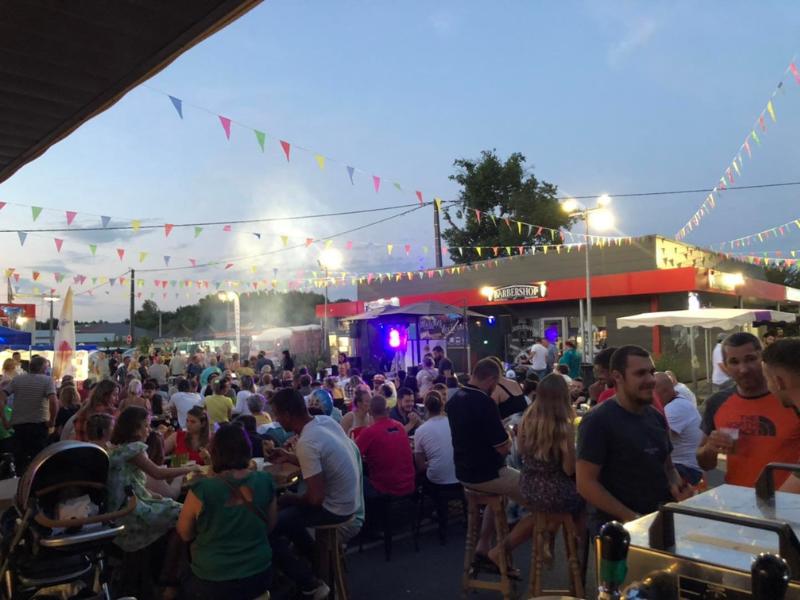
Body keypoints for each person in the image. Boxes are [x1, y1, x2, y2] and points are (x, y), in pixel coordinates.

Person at [577, 345, 690, 534]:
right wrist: (634, 518)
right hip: (617, 532)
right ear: (617, 377)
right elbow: (585, 483)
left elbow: (668, 468)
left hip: (659, 522)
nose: (651, 380)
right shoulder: (598, 420)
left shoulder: (655, 416)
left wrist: (679, 488)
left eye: (651, 372)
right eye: (640, 374)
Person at [269, 388, 359, 599]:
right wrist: (288, 456)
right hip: (350, 501)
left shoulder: (307, 442)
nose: (276, 420)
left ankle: (309, 583)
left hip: (335, 509)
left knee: (268, 527)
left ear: (287, 414)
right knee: (289, 518)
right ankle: (316, 562)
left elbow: (315, 499)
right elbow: (322, 461)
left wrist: (290, 498)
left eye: (277, 415)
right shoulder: (324, 422)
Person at [488, 374, 584, 566]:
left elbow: (522, 451)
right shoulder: (564, 426)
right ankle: (577, 557)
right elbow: (568, 469)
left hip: (528, 484)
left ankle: (546, 540)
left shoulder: (527, 419)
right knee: (581, 501)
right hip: (552, 489)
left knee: (545, 512)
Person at [177, 423, 277, 599]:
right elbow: (270, 525)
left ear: (215, 452)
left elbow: (185, 533)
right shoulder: (265, 480)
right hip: (258, 574)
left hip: (212, 579)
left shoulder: (203, 489)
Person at [446, 358, 524, 566]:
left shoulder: (454, 399)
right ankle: (499, 552)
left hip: (463, 472)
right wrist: (509, 432)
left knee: (501, 496)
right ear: (491, 380)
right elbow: (503, 448)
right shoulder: (484, 402)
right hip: (488, 473)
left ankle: (483, 545)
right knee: (539, 498)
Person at [697, 332, 800, 488]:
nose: (743, 369)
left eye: (750, 359)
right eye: (734, 362)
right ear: (725, 366)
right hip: (738, 498)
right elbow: (705, 464)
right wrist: (710, 448)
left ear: (763, 360)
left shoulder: (789, 399)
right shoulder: (717, 402)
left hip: (787, 500)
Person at [107, 406, 199, 553]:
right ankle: (173, 562)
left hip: (125, 505)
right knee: (185, 514)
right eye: (146, 426)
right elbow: (157, 473)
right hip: (128, 509)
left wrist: (151, 493)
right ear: (135, 429)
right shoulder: (134, 450)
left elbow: (130, 481)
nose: (149, 430)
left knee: (176, 510)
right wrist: (189, 469)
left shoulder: (121, 449)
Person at [0, 355, 57, 472]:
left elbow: (1, 397)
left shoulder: (17, 380)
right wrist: (52, 421)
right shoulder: (47, 380)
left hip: (19, 426)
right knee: (39, 461)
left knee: (20, 461)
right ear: (42, 368)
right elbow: (53, 401)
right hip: (39, 426)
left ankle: (20, 481)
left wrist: (5, 420)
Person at [356, 395, 416, 497]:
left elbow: (353, 454)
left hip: (385, 491)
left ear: (369, 412)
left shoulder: (369, 432)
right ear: (388, 409)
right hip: (409, 486)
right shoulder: (400, 427)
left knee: (357, 480)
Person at [654, 372, 703, 486]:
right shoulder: (678, 401)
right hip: (686, 466)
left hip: (687, 469)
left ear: (665, 391)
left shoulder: (674, 408)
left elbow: (658, 440)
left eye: (652, 393)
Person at [414, 390, 458, 486]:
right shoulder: (453, 423)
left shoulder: (420, 430)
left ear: (425, 407)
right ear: (442, 405)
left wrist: (434, 462)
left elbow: (420, 466)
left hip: (436, 480)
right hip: (459, 476)